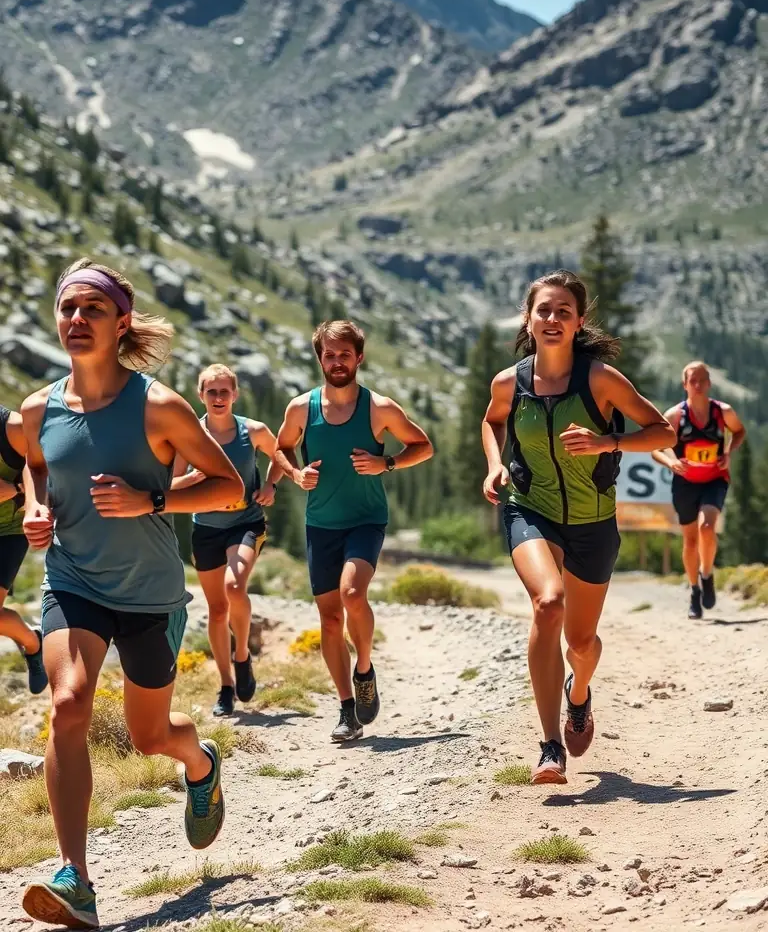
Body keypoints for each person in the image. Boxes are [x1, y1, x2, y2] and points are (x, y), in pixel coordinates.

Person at [20, 259, 244, 931]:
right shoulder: (39, 409)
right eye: (68, 309)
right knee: (68, 704)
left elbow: (228, 486)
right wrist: (37, 510)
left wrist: (152, 498)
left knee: (151, 736)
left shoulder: (159, 405)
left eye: (92, 309)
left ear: (121, 323)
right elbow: (37, 464)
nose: (77, 320)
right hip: (73, 582)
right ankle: (76, 879)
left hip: (150, 594)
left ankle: (200, 764)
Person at [481, 270, 675, 785]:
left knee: (582, 645)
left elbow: (663, 430)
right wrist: (495, 464)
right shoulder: (510, 382)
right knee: (548, 603)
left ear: (577, 322)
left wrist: (606, 443)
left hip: (593, 522)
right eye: (543, 310)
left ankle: (579, 692)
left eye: (563, 311)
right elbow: (491, 419)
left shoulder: (600, 380)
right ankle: (549, 746)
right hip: (530, 508)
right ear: (529, 318)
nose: (552, 319)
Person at [274, 320, 433, 742]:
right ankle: (347, 709)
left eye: (345, 354)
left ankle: (364, 667)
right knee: (329, 620)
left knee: (351, 593)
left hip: (365, 519)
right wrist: (295, 473)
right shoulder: (300, 408)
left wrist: (388, 463)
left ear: (359, 357)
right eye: (330, 354)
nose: (337, 361)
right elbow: (281, 445)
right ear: (320, 358)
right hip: (320, 524)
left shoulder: (379, 407)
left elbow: (423, 445)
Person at [172, 363, 283, 717]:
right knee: (217, 610)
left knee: (235, 587)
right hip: (205, 528)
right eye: (211, 391)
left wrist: (270, 484)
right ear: (200, 395)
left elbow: (279, 453)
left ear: (235, 395)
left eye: (224, 391)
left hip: (246, 523)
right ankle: (225, 685)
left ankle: (242, 656)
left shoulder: (253, 431)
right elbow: (170, 486)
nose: (218, 398)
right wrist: (193, 478)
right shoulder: (189, 436)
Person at [651, 361, 745, 619]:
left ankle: (707, 574)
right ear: (685, 385)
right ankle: (694, 591)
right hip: (685, 483)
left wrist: (728, 452)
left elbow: (739, 432)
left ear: (709, 383)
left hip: (715, 479)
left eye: (702, 380)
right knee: (690, 540)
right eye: (692, 380)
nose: (698, 385)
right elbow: (655, 448)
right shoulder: (675, 416)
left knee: (707, 527)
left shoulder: (723, 412)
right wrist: (671, 461)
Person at [0, 404, 47, 695]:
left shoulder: (13, 428)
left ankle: (33, 644)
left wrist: (16, 489)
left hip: (9, 530)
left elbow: (48, 467)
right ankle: (33, 640)